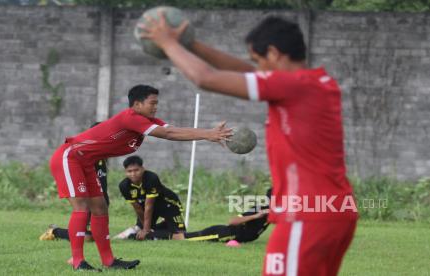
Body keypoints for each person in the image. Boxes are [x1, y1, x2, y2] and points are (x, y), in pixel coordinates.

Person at [139, 14, 358, 276]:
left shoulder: (293, 86)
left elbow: (206, 78)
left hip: (308, 216)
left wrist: (168, 43)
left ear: (275, 53)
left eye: (259, 59)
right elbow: (247, 72)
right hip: (333, 211)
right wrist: (191, 44)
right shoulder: (318, 82)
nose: (257, 68)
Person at [49, 84, 232, 271]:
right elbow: (169, 134)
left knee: (100, 207)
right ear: (137, 104)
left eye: (157, 103)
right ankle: (78, 261)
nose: (155, 107)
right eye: (152, 103)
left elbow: (174, 129)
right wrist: (209, 134)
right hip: (70, 156)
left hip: (87, 161)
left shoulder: (146, 120)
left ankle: (109, 261)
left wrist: (208, 133)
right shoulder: (131, 118)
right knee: (82, 206)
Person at [40, 123, 110, 242]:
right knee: (87, 237)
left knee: (97, 234)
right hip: (85, 198)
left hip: (95, 202)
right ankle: (55, 231)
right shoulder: (80, 154)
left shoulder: (101, 156)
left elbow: (102, 184)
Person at [134, 188, 272, 243]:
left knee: (184, 237)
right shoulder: (260, 209)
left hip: (229, 236)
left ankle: (152, 232)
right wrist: (256, 216)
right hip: (224, 233)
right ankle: (147, 235)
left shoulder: (276, 211)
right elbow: (233, 221)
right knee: (184, 238)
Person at [115, 155, 186, 241]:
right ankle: (140, 231)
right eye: (129, 171)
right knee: (143, 228)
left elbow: (149, 206)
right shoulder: (124, 186)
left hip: (168, 205)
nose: (133, 174)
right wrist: (144, 226)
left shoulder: (151, 178)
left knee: (180, 235)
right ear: (125, 172)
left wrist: (146, 230)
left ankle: (151, 232)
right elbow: (137, 208)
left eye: (136, 170)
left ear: (142, 169)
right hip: (146, 207)